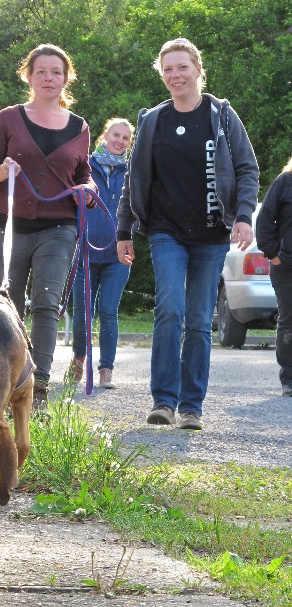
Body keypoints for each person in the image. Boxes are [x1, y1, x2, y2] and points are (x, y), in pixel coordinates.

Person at [117, 37, 259, 430]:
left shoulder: (222, 116)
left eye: (182, 67)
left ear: (198, 69)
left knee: (198, 319)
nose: (175, 75)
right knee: (170, 310)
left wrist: (243, 215)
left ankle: (192, 406)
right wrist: (124, 229)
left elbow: (247, 169)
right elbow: (135, 179)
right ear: (162, 76)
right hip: (165, 231)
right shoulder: (152, 121)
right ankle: (163, 401)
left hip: (212, 233)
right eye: (168, 69)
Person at [0, 43, 97, 412]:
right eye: (41, 71)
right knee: (4, 303)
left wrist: (88, 191)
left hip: (59, 227)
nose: (49, 78)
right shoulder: (7, 119)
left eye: (56, 72)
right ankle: (1, 380)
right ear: (29, 76)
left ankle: (37, 389)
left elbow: (84, 175)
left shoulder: (79, 127)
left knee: (46, 303)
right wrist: (2, 171)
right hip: (9, 224)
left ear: (66, 78)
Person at [68, 117, 134, 389]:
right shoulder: (86, 167)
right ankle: (78, 360)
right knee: (82, 312)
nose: (120, 141)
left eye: (126, 138)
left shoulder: (132, 171)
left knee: (108, 310)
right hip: (85, 252)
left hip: (118, 256)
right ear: (105, 136)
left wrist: (130, 234)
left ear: (129, 143)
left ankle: (106, 368)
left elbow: (138, 207)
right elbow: (70, 199)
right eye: (115, 135)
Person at [256, 158, 292, 397]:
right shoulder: (285, 181)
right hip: (286, 265)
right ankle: (289, 379)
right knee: (289, 320)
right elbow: (265, 220)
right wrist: (274, 255)